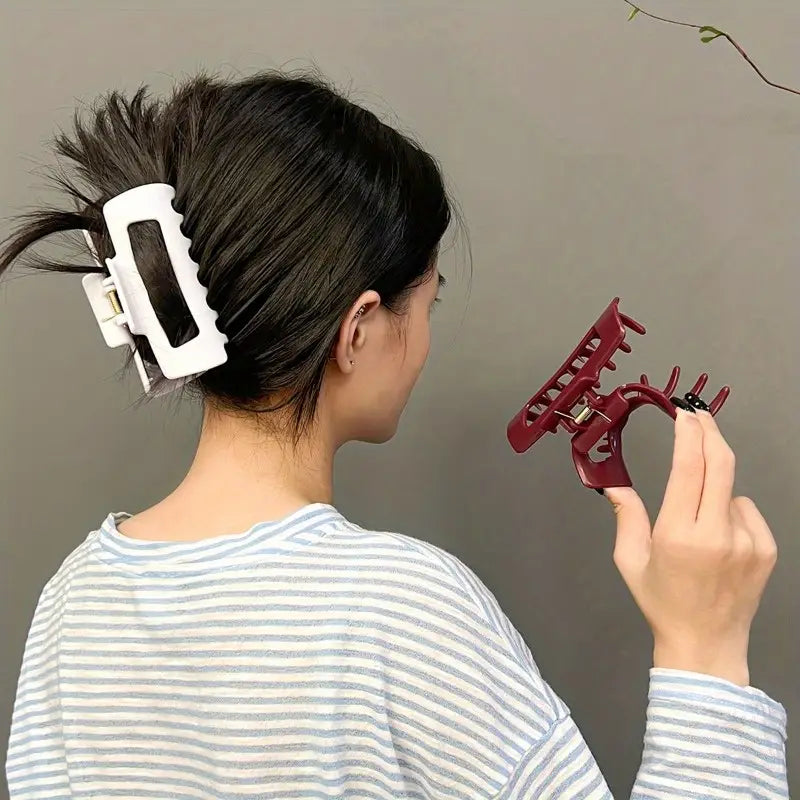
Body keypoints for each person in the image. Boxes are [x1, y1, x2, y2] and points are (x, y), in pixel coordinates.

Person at [2, 71, 787, 799]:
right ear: (359, 330)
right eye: (427, 303)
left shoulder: (74, 603)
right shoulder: (399, 608)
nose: (428, 338)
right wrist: (704, 648)